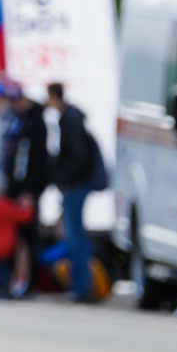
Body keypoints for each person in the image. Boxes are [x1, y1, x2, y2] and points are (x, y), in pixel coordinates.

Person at [43, 83, 104, 302]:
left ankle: (83, 288)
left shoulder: (71, 120)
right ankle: (81, 287)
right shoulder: (69, 118)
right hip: (76, 184)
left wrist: (68, 180)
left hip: (76, 185)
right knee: (75, 236)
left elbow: (77, 155)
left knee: (76, 238)